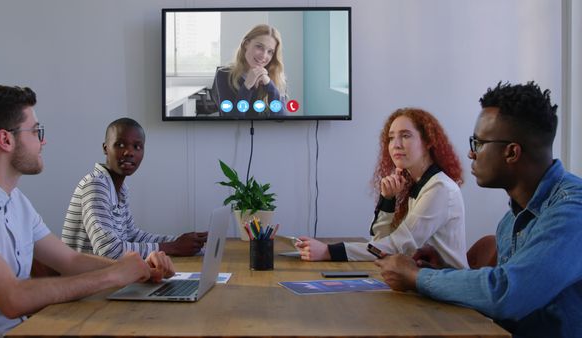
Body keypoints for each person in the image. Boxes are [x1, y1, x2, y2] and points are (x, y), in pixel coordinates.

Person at [0, 85, 175, 338]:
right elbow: (13, 298)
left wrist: (139, 270)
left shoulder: (16, 200)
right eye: (36, 131)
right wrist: (115, 274)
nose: (43, 140)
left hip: (25, 330)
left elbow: (70, 260)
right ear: (6, 140)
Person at [375, 82, 582, 337]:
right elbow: (501, 287)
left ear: (511, 152)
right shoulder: (512, 219)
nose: (471, 154)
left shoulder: (572, 210)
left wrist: (416, 277)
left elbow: (507, 294)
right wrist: (441, 273)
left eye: (478, 143)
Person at [297, 108, 468, 269]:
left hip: (449, 292)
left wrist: (329, 251)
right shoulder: (417, 183)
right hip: (426, 284)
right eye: (391, 138)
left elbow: (396, 247)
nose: (396, 145)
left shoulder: (439, 188)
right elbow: (382, 243)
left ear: (428, 141)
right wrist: (388, 200)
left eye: (406, 136)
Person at [62, 118, 208, 258]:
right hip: (86, 279)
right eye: (119, 145)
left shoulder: (120, 188)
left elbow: (132, 236)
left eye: (137, 147)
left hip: (107, 275)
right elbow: (108, 250)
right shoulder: (95, 185)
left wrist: (183, 241)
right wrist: (174, 247)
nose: (129, 152)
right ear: (105, 149)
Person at [213, 24, 288, 117]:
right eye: (259, 47)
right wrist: (247, 86)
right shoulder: (224, 75)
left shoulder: (277, 77)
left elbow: (281, 121)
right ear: (246, 44)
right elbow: (231, 121)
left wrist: (271, 87)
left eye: (270, 51)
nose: (264, 56)